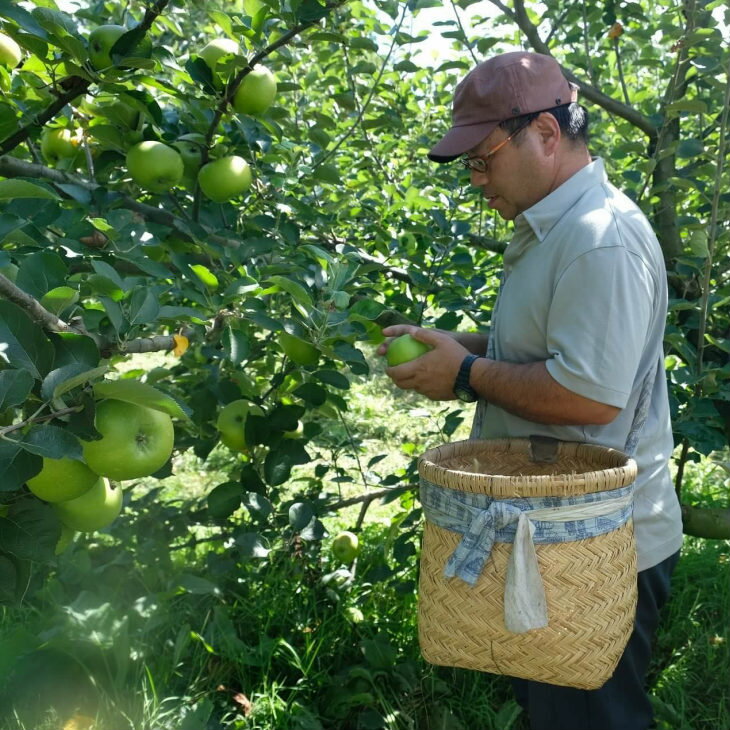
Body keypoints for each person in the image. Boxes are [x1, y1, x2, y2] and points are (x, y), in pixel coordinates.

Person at [379, 51, 683, 730]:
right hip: (557, 536)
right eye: (469, 166)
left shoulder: (598, 241)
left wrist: (462, 374)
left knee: (591, 719)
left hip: (599, 544)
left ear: (546, 134)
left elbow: (589, 395)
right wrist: (458, 348)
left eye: (482, 159)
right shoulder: (555, 231)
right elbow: (554, 354)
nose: (476, 179)